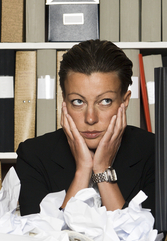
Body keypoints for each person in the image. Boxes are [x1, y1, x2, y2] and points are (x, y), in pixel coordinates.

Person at [16, 39, 155, 216]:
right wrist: (83, 170)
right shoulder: (33, 155)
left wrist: (102, 169)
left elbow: (144, 240)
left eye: (105, 101)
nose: (90, 118)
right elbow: (41, 238)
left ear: (124, 102)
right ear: (64, 101)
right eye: (78, 102)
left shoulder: (154, 152)